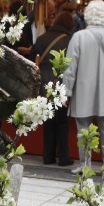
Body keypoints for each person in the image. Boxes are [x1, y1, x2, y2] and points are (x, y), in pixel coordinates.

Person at [59, 0, 104, 176]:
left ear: (88, 15)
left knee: (83, 128)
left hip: (83, 87)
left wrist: (66, 91)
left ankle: (85, 165)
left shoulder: (78, 36)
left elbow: (69, 67)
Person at [33, 10, 75, 167]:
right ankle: (63, 156)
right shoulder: (70, 41)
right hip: (62, 83)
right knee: (62, 121)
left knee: (48, 119)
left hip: (45, 83)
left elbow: (32, 57)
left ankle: (48, 155)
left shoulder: (42, 38)